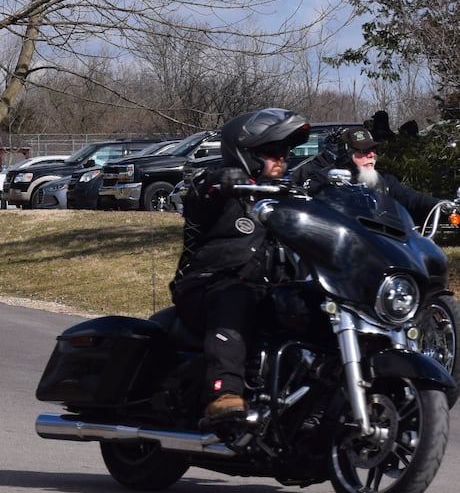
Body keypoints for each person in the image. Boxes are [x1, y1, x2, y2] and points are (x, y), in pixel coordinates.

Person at [171, 107, 309, 424]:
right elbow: (198, 195)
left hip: (269, 290)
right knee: (236, 297)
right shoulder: (221, 187)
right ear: (244, 153)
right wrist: (223, 180)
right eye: (271, 151)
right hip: (206, 285)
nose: (281, 158)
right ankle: (225, 393)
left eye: (285, 151)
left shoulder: (287, 198)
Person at [295, 126, 447, 224]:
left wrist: (443, 205)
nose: (371, 155)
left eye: (373, 150)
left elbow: (412, 198)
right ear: (347, 154)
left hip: (380, 245)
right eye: (364, 151)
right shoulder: (325, 178)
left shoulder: (384, 182)